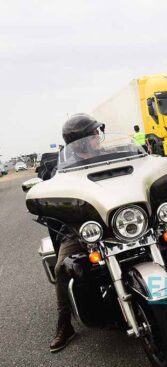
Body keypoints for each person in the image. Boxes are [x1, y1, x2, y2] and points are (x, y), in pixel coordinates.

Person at [49, 113, 105, 352]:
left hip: (114, 220)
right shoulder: (59, 168)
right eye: (93, 134)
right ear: (81, 140)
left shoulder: (111, 156)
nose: (98, 137)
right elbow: (49, 189)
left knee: (165, 237)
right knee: (62, 267)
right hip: (79, 229)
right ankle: (64, 324)